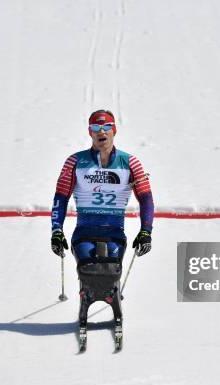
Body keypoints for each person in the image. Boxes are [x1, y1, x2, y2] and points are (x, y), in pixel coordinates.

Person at [50, 109, 154, 333]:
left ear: (114, 130)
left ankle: (112, 299)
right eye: (96, 128)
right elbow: (61, 196)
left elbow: (146, 198)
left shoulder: (130, 162)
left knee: (110, 270)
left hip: (114, 230)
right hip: (84, 230)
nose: (101, 132)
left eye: (106, 127)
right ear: (89, 132)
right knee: (87, 268)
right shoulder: (75, 162)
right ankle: (86, 300)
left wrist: (146, 231)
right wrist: (56, 230)